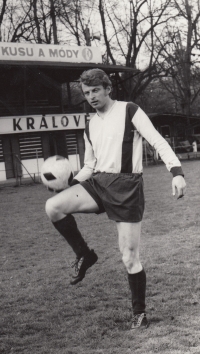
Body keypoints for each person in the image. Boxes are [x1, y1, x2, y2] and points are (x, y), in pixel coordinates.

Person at [45, 69, 186, 330]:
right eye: (86, 93)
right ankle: (84, 255)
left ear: (108, 88)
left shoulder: (130, 110)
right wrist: (70, 184)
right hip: (98, 183)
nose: (91, 97)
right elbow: (90, 165)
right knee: (53, 206)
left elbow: (157, 140)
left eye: (95, 90)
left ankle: (139, 314)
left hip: (126, 187)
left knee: (129, 256)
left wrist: (176, 172)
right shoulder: (90, 123)